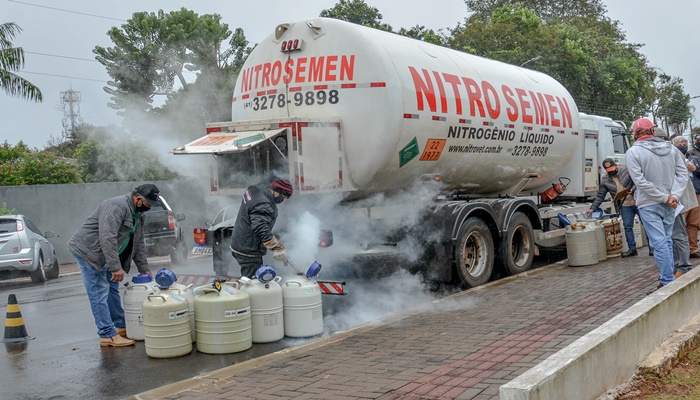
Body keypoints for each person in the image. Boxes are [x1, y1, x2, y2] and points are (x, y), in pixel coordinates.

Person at [68, 184, 159, 347]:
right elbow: (107, 238)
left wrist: (143, 268)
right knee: (99, 290)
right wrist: (115, 267)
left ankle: (120, 325)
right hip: (89, 252)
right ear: (138, 199)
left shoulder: (138, 215)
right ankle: (107, 334)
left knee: (112, 287)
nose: (149, 208)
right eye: (148, 204)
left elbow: (138, 243)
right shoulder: (116, 206)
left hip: (105, 254)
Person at [626, 118, 688, 291]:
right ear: (652, 131)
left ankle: (667, 280)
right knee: (666, 240)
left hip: (649, 203)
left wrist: (663, 197)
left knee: (659, 242)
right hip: (670, 202)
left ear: (635, 134)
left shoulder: (633, 152)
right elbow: (682, 174)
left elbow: (640, 182)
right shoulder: (672, 149)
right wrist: (673, 195)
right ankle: (668, 276)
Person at [229, 178, 293, 279]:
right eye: (283, 196)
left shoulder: (254, 190)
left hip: (240, 242)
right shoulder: (263, 203)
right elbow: (260, 227)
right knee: (252, 283)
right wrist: (277, 248)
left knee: (251, 279)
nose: (282, 200)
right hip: (248, 249)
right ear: (277, 191)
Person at [586, 158, 640, 257]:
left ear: (616, 166)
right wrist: (592, 208)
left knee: (647, 224)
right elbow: (600, 196)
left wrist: (632, 189)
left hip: (637, 201)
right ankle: (632, 249)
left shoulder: (626, 170)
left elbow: (638, 181)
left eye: (612, 169)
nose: (611, 172)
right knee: (627, 227)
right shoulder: (605, 179)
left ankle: (652, 248)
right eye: (609, 171)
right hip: (624, 204)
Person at [672, 135, 700, 258]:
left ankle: (693, 249)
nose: (683, 145)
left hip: (695, 194)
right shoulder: (671, 159)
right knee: (680, 224)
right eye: (680, 143)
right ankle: (681, 252)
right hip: (680, 196)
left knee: (693, 223)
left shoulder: (694, 159)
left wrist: (695, 169)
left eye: (685, 143)